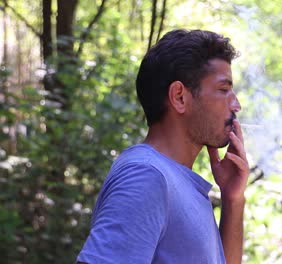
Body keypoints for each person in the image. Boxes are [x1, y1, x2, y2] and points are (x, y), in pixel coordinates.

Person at [77, 29, 249, 263]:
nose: (236, 105)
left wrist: (233, 198)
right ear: (179, 97)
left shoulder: (173, 180)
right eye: (223, 90)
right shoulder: (146, 176)